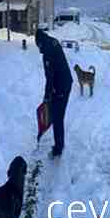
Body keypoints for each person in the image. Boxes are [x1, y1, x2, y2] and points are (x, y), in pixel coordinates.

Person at [35, 29, 73, 158]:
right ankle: (59, 143)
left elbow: (50, 77)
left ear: (40, 43)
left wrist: (47, 96)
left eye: (38, 47)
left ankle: (58, 147)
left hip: (62, 86)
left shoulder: (48, 51)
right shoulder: (52, 42)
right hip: (64, 82)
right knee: (57, 113)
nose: (39, 50)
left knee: (58, 117)